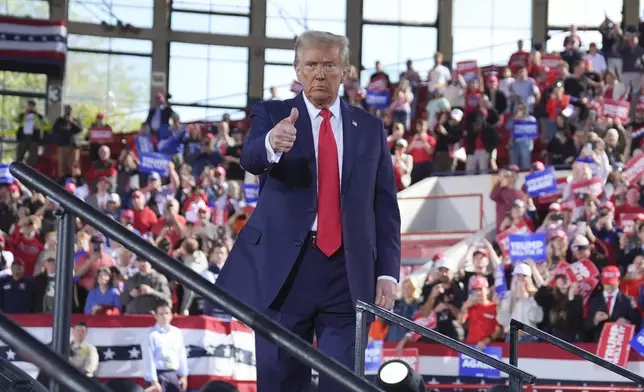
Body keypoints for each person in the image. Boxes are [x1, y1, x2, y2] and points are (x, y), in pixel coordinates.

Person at [216, 31, 401, 392]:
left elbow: (385, 206)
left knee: (343, 383)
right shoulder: (272, 113)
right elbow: (251, 158)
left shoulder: (370, 129)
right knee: (281, 381)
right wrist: (272, 142)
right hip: (284, 272)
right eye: (312, 64)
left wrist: (388, 273)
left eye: (330, 64)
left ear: (345, 71)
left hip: (348, 274)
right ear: (297, 70)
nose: (320, 73)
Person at [144, 303, 189, 392]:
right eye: (161, 314)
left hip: (173, 374)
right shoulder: (152, 335)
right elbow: (149, 359)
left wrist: (184, 376)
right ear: (156, 316)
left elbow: (182, 355)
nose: (164, 316)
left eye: (167, 313)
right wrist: (154, 381)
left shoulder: (177, 332)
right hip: (159, 375)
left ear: (171, 316)